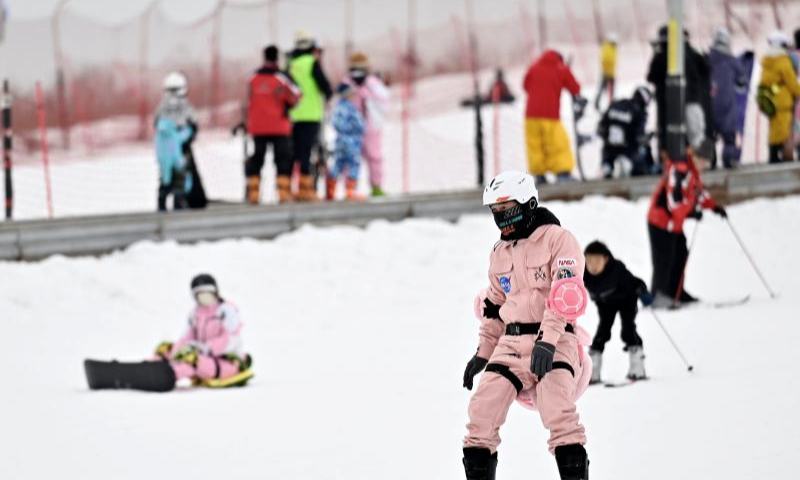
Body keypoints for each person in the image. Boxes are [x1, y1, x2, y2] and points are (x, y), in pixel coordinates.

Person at [463, 170, 590, 480]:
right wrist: (483, 352)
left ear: (529, 204)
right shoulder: (499, 252)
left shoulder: (559, 240)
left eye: (508, 208)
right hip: (510, 344)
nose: (502, 217)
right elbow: (493, 305)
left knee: (556, 408)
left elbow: (565, 294)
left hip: (556, 339)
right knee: (481, 413)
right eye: (496, 211)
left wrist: (547, 341)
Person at [647, 151, 726, 309]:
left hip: (674, 225)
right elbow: (674, 202)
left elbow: (699, 194)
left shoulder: (693, 173)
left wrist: (714, 207)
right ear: (695, 157)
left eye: (707, 163)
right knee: (664, 259)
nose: (704, 166)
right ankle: (658, 296)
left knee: (680, 254)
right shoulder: (680, 171)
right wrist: (691, 212)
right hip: (660, 222)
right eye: (704, 161)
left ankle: (676, 291)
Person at [154, 274, 253, 388]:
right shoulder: (195, 314)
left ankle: (166, 375)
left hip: (226, 361)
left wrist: (207, 349)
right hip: (204, 356)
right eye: (200, 295)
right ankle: (149, 366)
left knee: (193, 362)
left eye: (207, 293)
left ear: (215, 292)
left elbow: (232, 338)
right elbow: (186, 337)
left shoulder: (226, 310)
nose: (204, 298)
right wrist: (175, 353)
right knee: (168, 349)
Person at [583, 240, 653, 384]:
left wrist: (643, 291)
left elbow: (635, 282)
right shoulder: (584, 274)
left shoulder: (616, 270)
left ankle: (637, 367)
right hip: (605, 303)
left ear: (606, 259)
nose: (593, 266)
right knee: (602, 332)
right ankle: (592, 372)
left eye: (597, 261)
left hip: (626, 299)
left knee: (628, 329)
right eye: (589, 261)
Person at [245, 45, 301, 204]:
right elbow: (296, 95)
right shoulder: (282, 77)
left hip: (257, 126)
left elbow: (248, 99)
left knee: (257, 157)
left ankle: (254, 193)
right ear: (277, 58)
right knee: (282, 158)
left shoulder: (253, 77)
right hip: (279, 126)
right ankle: (283, 194)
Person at [648, 27, 713, 162]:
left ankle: (668, 161)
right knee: (694, 135)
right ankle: (696, 161)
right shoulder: (691, 53)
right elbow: (706, 69)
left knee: (668, 134)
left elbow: (651, 76)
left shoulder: (662, 55)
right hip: (692, 100)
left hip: (667, 104)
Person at [523, 50, 583, 184]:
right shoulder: (561, 68)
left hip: (530, 116)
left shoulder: (534, 67)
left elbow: (526, 85)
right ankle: (563, 173)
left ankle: (539, 175)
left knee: (535, 145)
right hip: (549, 114)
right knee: (558, 143)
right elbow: (575, 87)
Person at [289, 30, 333, 201]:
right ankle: (306, 189)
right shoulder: (312, 63)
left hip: (294, 114)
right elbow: (325, 85)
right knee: (308, 152)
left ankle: (288, 189)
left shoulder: (291, 64)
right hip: (312, 115)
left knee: (295, 153)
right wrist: (328, 95)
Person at [154, 72, 207, 209]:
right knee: (181, 178)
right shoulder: (185, 105)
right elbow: (194, 123)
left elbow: (156, 124)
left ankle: (162, 205)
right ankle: (180, 204)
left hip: (165, 150)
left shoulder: (162, 106)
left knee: (165, 177)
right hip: (182, 148)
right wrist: (188, 135)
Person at [346, 52, 389, 197]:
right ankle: (350, 189)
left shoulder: (372, 83)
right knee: (351, 157)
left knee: (374, 156)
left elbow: (383, 101)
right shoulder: (347, 83)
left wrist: (367, 93)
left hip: (370, 126)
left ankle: (376, 186)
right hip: (351, 128)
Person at [758, 31, 800, 163]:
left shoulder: (768, 61)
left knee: (774, 130)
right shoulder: (783, 62)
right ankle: (775, 157)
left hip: (770, 100)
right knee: (782, 131)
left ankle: (773, 156)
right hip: (783, 102)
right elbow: (792, 83)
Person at [709, 28, 748, 168]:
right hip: (727, 103)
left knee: (709, 135)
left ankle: (709, 161)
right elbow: (742, 81)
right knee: (729, 136)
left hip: (709, 101)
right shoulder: (732, 60)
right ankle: (729, 160)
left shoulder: (707, 58)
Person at [597, 86, 654, 178]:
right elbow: (639, 136)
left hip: (610, 147)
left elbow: (601, 128)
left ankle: (607, 165)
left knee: (608, 154)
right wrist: (648, 137)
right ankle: (645, 168)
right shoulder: (638, 111)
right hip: (628, 147)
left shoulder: (616, 104)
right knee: (643, 152)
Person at [326, 83, 366, 201]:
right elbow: (360, 124)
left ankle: (330, 190)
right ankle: (350, 191)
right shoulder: (351, 108)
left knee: (338, 163)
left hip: (339, 140)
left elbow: (333, 123)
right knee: (353, 164)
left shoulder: (337, 107)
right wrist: (359, 130)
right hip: (351, 141)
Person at [155, 116, 193, 211]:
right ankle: (178, 204)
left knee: (164, 185)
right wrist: (190, 127)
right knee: (179, 185)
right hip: (177, 164)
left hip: (164, 165)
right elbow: (184, 135)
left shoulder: (158, 137)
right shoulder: (173, 135)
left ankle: (161, 206)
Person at [594, 32, 618, 111]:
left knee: (611, 90)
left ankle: (611, 103)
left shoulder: (613, 48)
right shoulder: (607, 48)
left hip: (611, 72)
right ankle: (597, 103)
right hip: (607, 73)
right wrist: (606, 71)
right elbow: (605, 60)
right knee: (602, 89)